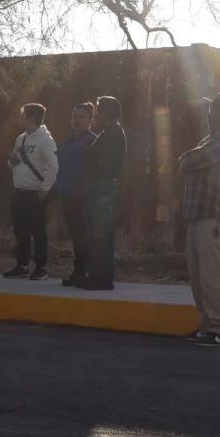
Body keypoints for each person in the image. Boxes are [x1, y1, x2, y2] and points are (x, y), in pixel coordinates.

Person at [179, 94, 220, 346]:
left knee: (212, 277)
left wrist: (186, 160)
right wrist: (187, 161)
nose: (208, 115)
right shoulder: (211, 140)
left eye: (213, 110)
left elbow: (192, 160)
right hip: (199, 216)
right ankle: (206, 326)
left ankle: (219, 329)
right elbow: (190, 162)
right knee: (198, 278)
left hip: (214, 218)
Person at [75, 95, 128, 291]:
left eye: (98, 111)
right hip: (98, 186)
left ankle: (102, 278)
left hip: (102, 188)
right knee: (95, 233)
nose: (95, 115)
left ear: (107, 112)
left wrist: (91, 156)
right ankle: (95, 275)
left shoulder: (113, 134)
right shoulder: (107, 134)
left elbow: (94, 158)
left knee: (101, 234)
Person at [5, 103, 57, 279]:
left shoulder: (45, 140)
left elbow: (54, 166)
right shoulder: (21, 139)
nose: (19, 119)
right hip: (18, 191)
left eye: (22, 115)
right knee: (20, 230)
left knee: (38, 231)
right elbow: (13, 162)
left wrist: (44, 189)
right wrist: (11, 161)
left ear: (32, 119)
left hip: (35, 192)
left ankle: (41, 268)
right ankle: (22, 265)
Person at [52, 103, 94, 284]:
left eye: (82, 117)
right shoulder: (64, 144)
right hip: (67, 195)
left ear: (90, 121)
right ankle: (78, 272)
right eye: (75, 116)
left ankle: (85, 272)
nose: (77, 120)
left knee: (84, 234)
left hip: (85, 196)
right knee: (75, 235)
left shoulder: (94, 142)